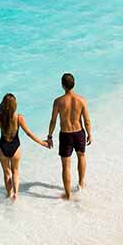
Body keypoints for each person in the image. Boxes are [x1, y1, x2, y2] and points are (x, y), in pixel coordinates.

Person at [0, 93, 48, 202]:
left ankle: (8, 194)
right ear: (15, 105)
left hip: (2, 147)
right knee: (15, 171)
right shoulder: (19, 118)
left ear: (3, 104)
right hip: (15, 147)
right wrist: (42, 143)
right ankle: (15, 194)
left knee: (6, 173)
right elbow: (28, 133)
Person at [46, 72, 91, 200]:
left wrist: (49, 136)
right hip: (79, 132)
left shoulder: (58, 101)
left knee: (66, 165)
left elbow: (53, 121)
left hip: (65, 134)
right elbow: (87, 120)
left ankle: (67, 194)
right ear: (74, 84)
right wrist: (89, 134)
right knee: (81, 156)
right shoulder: (82, 100)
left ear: (62, 85)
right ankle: (81, 183)